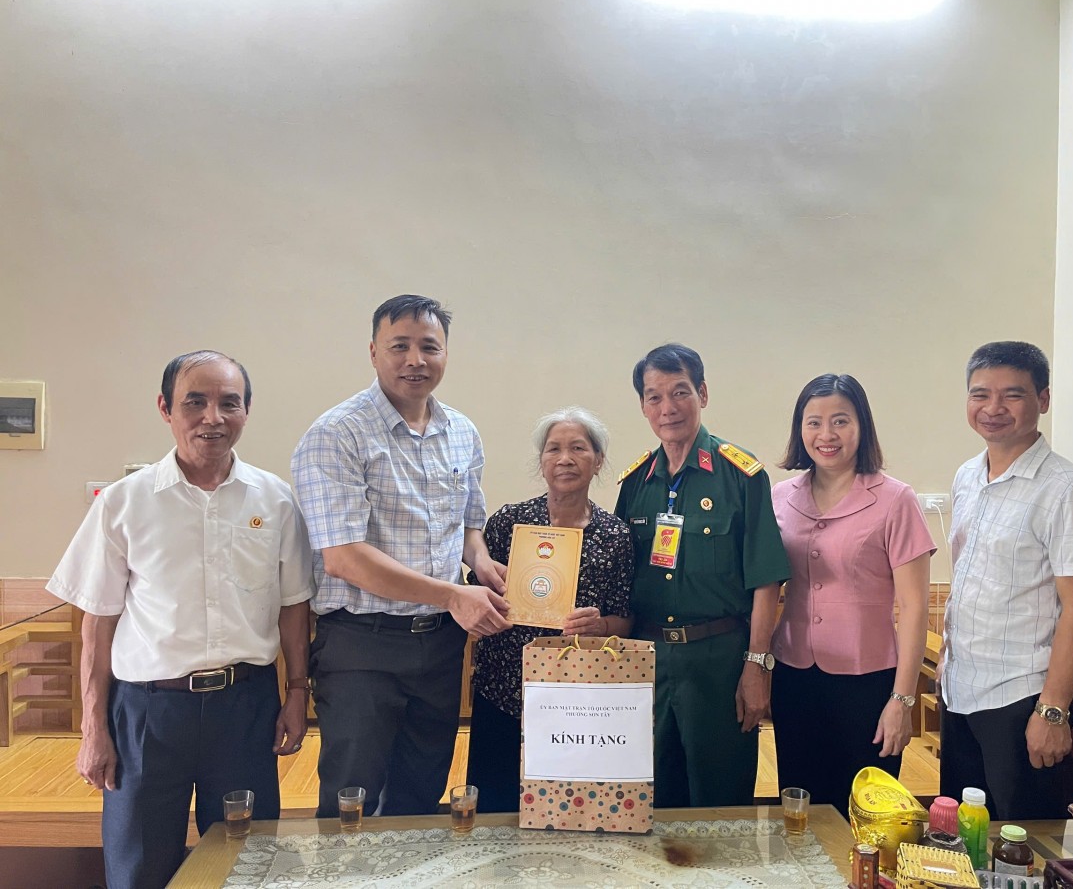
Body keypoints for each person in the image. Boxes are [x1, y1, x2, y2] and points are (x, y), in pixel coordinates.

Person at [46, 351, 314, 889]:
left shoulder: (275, 500)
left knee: (245, 863)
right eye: (195, 402)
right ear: (165, 408)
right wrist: (93, 728)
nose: (213, 417)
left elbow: (294, 606)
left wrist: (297, 694)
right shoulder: (123, 503)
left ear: (247, 410)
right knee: (140, 866)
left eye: (229, 403)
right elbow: (98, 624)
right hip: (148, 712)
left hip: (245, 707)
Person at [291, 294, 511, 820]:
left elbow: (468, 524)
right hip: (363, 645)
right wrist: (453, 593)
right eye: (399, 346)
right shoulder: (336, 434)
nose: (415, 360)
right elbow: (344, 557)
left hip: (439, 645)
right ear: (373, 352)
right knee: (352, 800)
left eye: (429, 347)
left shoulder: (462, 432)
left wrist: (480, 561)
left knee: (420, 792)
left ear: (446, 354)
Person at [939, 341, 1073, 820]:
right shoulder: (967, 477)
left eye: (1012, 395)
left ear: (1044, 399)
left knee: (1025, 843)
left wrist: (1052, 710)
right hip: (960, 690)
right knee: (962, 837)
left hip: (1022, 698)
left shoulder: (1071, 491)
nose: (993, 408)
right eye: (980, 394)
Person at [614, 343, 790, 808]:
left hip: (719, 663)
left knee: (721, 800)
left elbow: (766, 580)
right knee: (650, 799)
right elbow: (620, 581)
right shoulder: (635, 484)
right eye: (654, 397)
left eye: (680, 392)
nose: (668, 408)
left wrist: (757, 666)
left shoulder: (741, 475)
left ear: (703, 394)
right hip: (648, 661)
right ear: (643, 407)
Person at [769, 373, 934, 818]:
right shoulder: (780, 497)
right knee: (799, 807)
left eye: (840, 421)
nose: (826, 434)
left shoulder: (896, 499)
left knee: (865, 815)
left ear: (862, 425)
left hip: (869, 682)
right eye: (814, 422)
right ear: (800, 430)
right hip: (794, 676)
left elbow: (915, 607)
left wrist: (902, 700)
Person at [465, 407, 635, 812]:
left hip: (577, 700)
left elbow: (626, 620)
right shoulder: (509, 522)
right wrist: (491, 607)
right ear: (541, 461)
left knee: (567, 809)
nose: (565, 459)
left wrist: (599, 625)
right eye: (554, 449)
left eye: (578, 448)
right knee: (492, 806)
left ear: (598, 461)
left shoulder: (616, 536)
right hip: (503, 689)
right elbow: (475, 594)